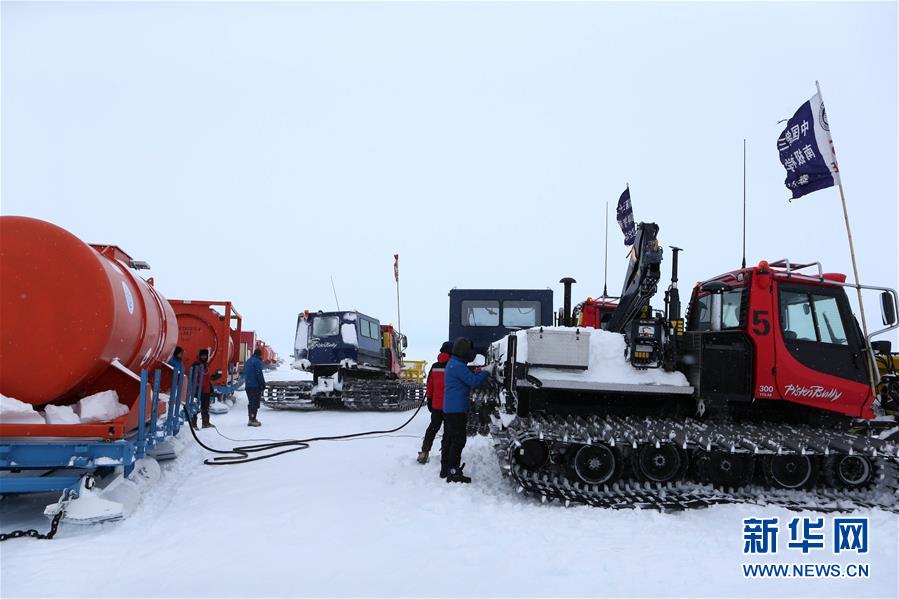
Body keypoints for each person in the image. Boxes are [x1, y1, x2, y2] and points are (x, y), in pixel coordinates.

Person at [441, 337, 488, 483]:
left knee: (449, 439)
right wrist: (486, 372)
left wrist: (477, 371)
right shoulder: (458, 366)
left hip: (450, 409)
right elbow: (473, 381)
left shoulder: (454, 364)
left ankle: (446, 469)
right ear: (464, 353)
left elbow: (467, 377)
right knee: (458, 440)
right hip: (456, 410)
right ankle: (453, 472)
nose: (472, 354)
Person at [417, 341, 452, 465]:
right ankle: (446, 453)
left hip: (436, 405)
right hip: (450, 406)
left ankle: (424, 452)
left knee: (432, 428)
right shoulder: (453, 365)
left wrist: (430, 400)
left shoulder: (435, 366)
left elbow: (429, 385)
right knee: (448, 431)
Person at [191, 348, 218, 429]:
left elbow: (206, 377)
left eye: (205, 356)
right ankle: (193, 424)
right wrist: (196, 386)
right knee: (195, 407)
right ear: (199, 356)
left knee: (205, 407)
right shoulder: (195, 365)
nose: (204, 357)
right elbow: (193, 378)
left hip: (206, 390)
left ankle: (205, 422)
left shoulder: (206, 365)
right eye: (202, 356)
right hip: (197, 390)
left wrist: (210, 386)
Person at [244, 348, 267, 427]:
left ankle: (251, 418)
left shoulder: (248, 361)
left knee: (251, 402)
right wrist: (262, 384)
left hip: (248, 385)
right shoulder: (257, 361)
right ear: (259, 355)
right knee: (255, 403)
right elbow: (259, 373)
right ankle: (252, 420)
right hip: (255, 386)